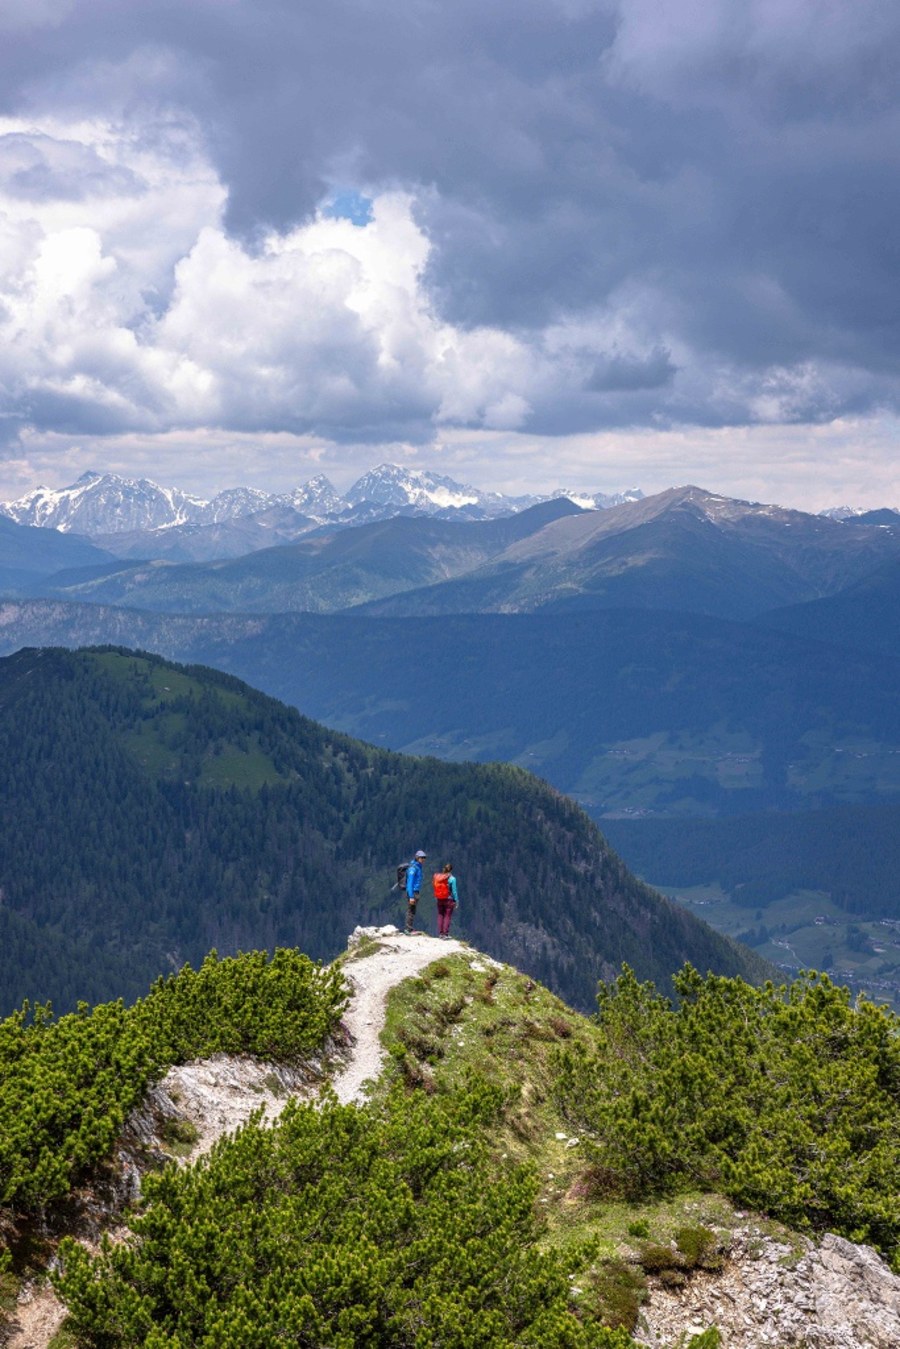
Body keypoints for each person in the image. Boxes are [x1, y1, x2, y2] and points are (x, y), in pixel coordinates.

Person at [433, 862, 458, 939]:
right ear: (451, 870)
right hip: (448, 900)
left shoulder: (439, 877)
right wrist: (456, 900)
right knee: (447, 916)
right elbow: (454, 891)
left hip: (439, 899)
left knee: (440, 915)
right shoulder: (452, 879)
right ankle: (445, 934)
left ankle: (440, 934)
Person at [405, 849, 426, 932]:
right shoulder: (413, 869)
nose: (423, 859)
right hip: (413, 892)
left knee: (413, 910)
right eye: (422, 857)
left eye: (424, 857)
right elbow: (410, 883)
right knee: (411, 910)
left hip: (416, 891)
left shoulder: (418, 867)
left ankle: (409, 928)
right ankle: (408, 929)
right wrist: (411, 896)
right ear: (417, 858)